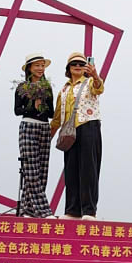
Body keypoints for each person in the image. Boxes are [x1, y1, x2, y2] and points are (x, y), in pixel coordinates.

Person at [52, 51, 104, 218]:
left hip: (88, 126)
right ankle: (72, 210)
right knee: (71, 169)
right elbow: (57, 118)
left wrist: (95, 75)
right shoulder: (64, 90)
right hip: (69, 132)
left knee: (88, 169)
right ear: (68, 68)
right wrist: (47, 137)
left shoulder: (89, 83)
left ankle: (89, 210)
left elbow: (99, 88)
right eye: (74, 64)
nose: (78, 66)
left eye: (81, 64)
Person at [12, 53, 54, 216]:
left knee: (42, 170)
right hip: (28, 126)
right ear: (30, 67)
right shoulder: (22, 87)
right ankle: (44, 210)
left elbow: (51, 112)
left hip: (44, 127)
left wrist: (42, 105)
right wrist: (32, 107)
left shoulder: (47, 88)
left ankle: (28, 209)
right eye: (37, 65)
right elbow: (17, 111)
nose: (40, 68)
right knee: (30, 170)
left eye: (42, 65)